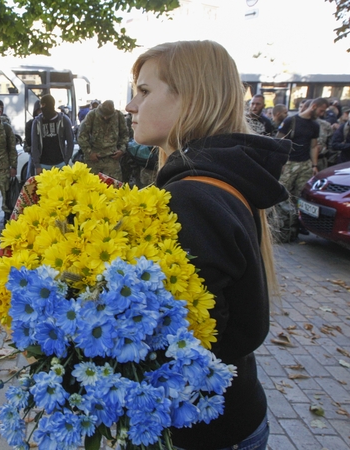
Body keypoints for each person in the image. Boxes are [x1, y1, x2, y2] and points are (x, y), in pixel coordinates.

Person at [125, 40, 289, 450]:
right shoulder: (218, 177)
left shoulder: (191, 196)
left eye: (144, 91)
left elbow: (187, 341)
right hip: (233, 415)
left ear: (191, 99)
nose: (130, 106)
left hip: (200, 429)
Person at [276, 97, 327, 238]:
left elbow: (313, 146)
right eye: (321, 110)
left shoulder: (314, 125)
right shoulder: (290, 121)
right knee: (283, 196)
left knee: (300, 198)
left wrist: (314, 165)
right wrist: (280, 163)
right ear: (314, 106)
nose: (322, 113)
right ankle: (283, 228)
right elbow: (279, 142)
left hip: (304, 164)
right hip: (289, 163)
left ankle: (296, 229)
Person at [78, 100, 129, 181]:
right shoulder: (92, 115)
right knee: (91, 186)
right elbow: (82, 136)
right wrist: (89, 152)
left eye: (108, 116)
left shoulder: (119, 116)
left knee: (114, 187)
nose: (105, 117)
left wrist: (121, 150)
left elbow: (125, 134)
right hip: (94, 158)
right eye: (103, 115)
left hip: (112, 158)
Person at [30, 94, 74, 176]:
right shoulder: (37, 122)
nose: (42, 108)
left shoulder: (64, 120)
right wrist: (37, 165)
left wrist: (66, 160)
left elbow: (70, 141)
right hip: (43, 164)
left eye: (43, 105)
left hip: (61, 163)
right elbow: (34, 145)